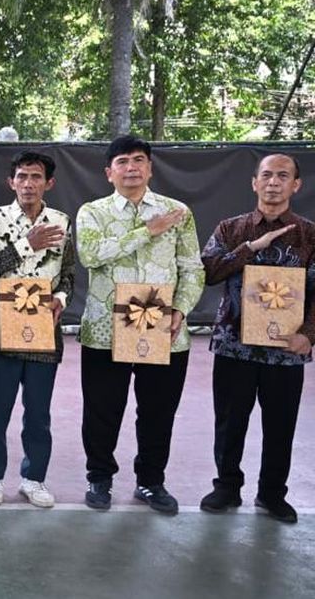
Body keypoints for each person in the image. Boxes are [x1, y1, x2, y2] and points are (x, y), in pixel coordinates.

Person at [75, 134, 204, 514]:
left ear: (150, 168)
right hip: (105, 329)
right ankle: (99, 477)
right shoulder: (93, 212)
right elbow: (91, 255)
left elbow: (192, 268)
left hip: (163, 328)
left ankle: (151, 481)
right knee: (101, 410)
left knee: (158, 411)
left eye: (138, 160)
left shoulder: (178, 212)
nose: (130, 168)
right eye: (122, 162)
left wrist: (181, 309)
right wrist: (148, 230)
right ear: (108, 173)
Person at [199, 153, 313, 524]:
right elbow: (209, 272)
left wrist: (309, 335)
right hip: (234, 346)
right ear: (254, 182)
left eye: (283, 176)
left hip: (286, 351)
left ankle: (272, 494)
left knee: (281, 425)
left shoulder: (309, 234)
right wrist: (250, 248)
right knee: (229, 422)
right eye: (266, 175)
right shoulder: (230, 229)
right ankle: (226, 486)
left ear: (296, 185)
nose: (273, 182)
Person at [0, 151, 75, 508]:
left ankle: (34, 479)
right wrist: (25, 245)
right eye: (22, 177)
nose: (28, 183)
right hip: (1, 328)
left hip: (44, 329)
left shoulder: (61, 222)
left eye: (36, 177)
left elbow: (68, 273)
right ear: (11, 182)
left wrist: (61, 296)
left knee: (39, 413)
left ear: (49, 183)